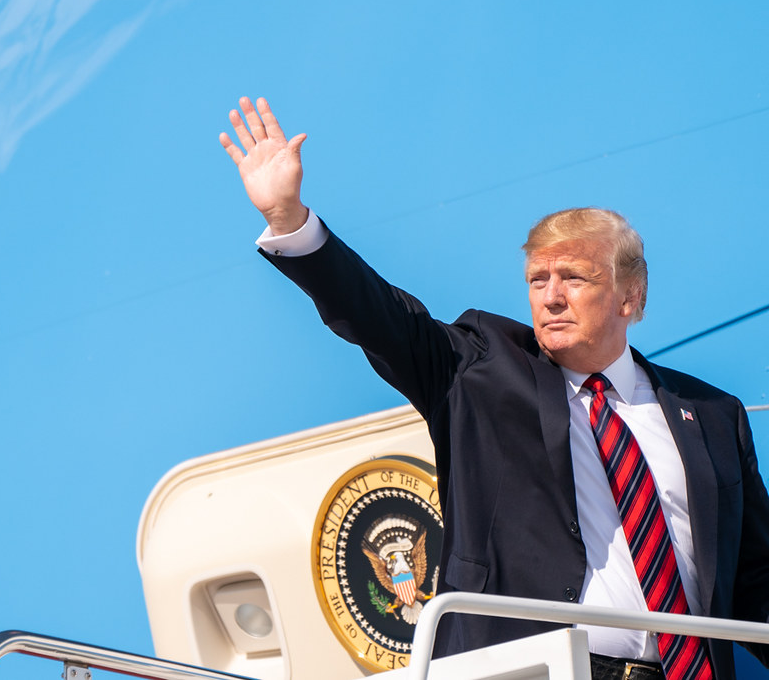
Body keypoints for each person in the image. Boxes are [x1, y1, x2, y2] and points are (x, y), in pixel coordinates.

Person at [220, 97, 769, 680]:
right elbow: (381, 316)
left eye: (574, 278)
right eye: (538, 279)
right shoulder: (478, 370)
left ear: (629, 298)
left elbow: (754, 575)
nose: (550, 296)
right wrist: (291, 221)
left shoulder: (712, 415)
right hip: (544, 667)